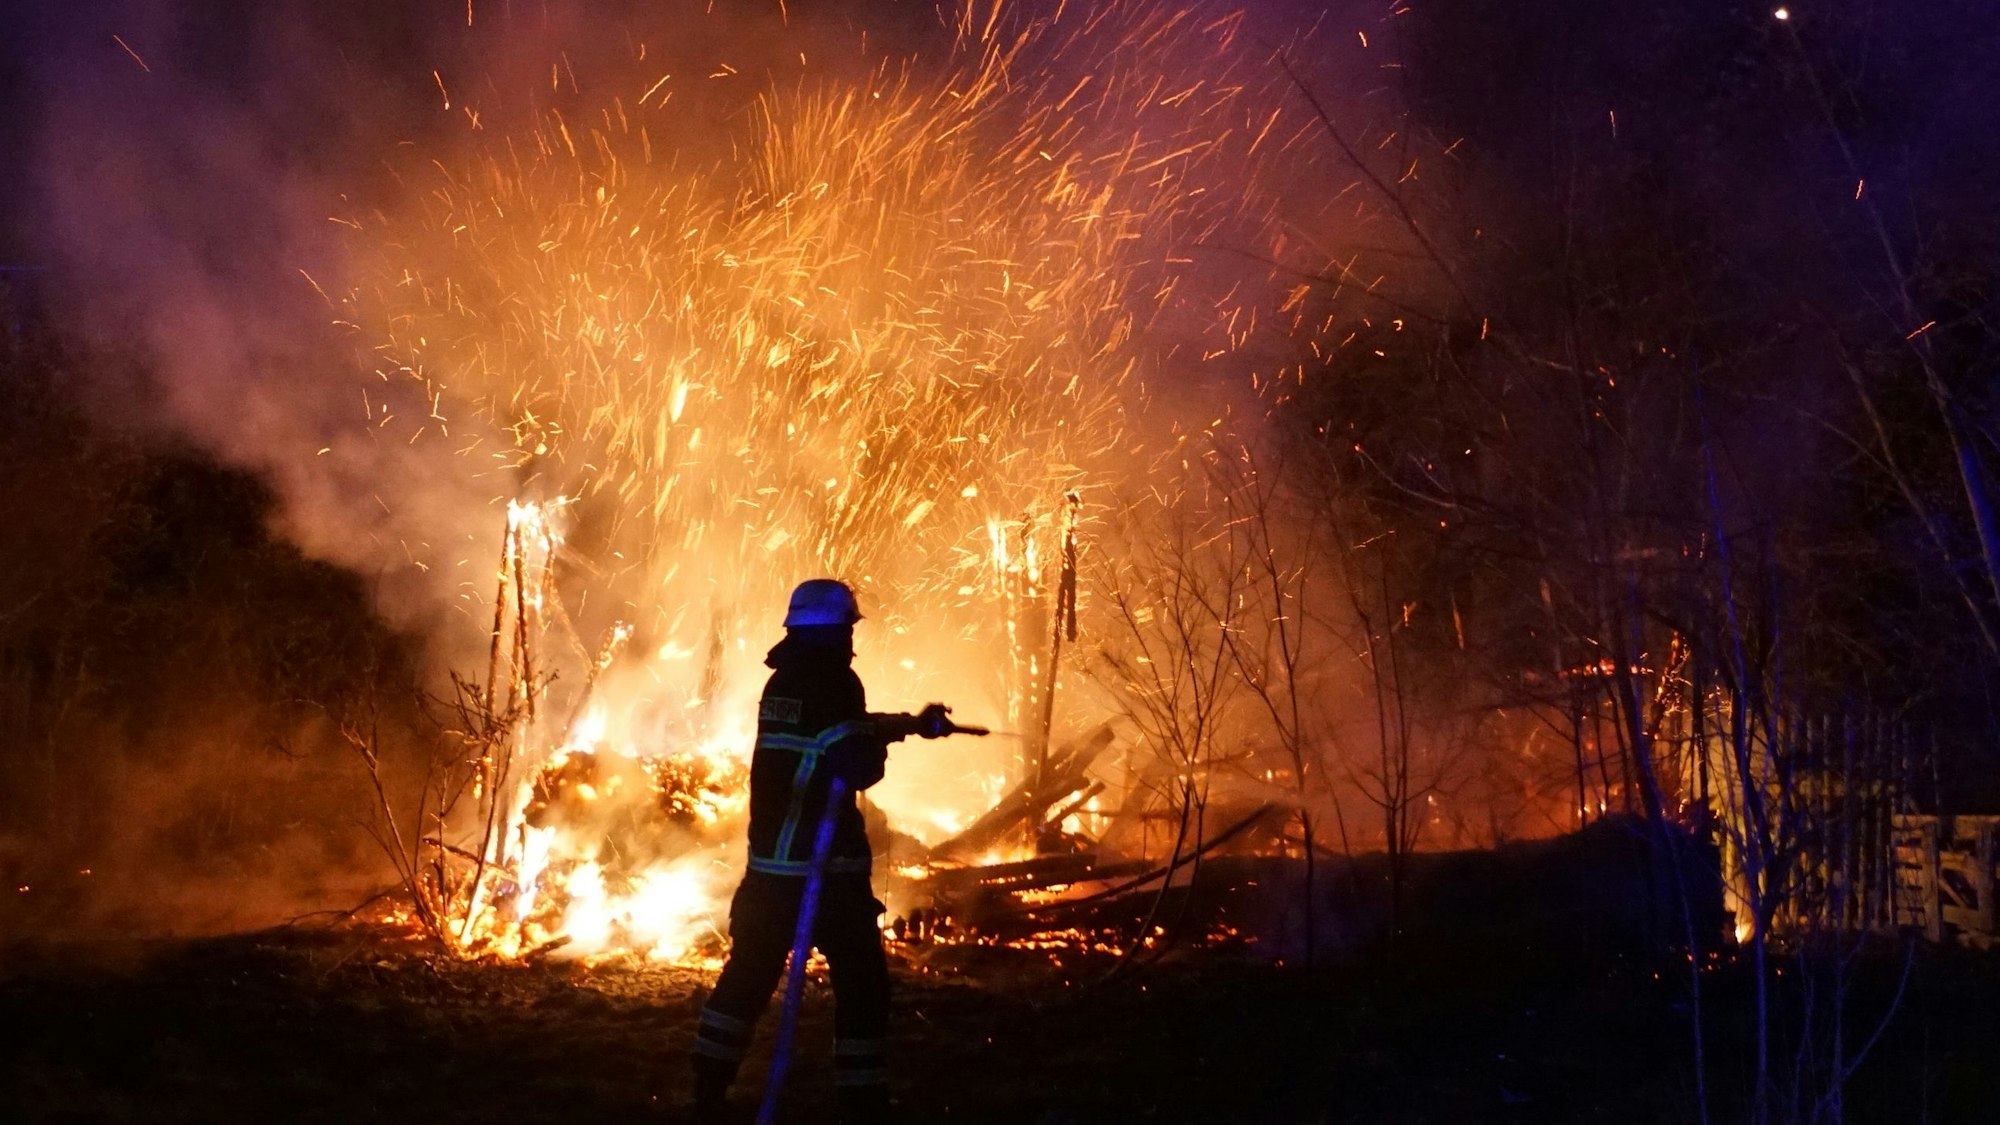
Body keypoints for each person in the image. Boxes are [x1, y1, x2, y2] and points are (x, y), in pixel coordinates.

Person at [692, 578, 952, 1123]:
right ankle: (863, 1102)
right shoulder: (836, 681)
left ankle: (706, 1094)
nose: (852, 641)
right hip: (823, 871)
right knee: (862, 988)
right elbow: (856, 761)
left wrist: (907, 724)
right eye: (849, 630)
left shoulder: (787, 682)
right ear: (838, 631)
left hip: (770, 868)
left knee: (746, 980)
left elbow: (835, 733)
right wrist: (880, 747)